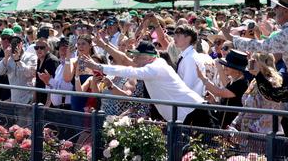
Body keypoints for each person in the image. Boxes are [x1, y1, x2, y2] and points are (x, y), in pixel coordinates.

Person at [81, 41, 214, 127]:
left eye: (138, 56)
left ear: (149, 57)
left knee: (213, 149)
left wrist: (99, 67)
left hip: (194, 111)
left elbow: (129, 70)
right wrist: (105, 46)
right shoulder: (152, 65)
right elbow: (125, 61)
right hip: (182, 115)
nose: (134, 59)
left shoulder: (156, 66)